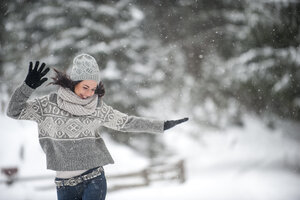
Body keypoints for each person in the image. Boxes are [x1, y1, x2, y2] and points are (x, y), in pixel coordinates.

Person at [6, 53, 188, 200]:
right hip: (63, 185)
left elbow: (126, 122)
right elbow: (13, 111)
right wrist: (26, 88)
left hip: (93, 180)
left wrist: (161, 125)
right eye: (85, 87)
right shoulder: (47, 105)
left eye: (93, 89)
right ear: (74, 82)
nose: (89, 94)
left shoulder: (97, 108)